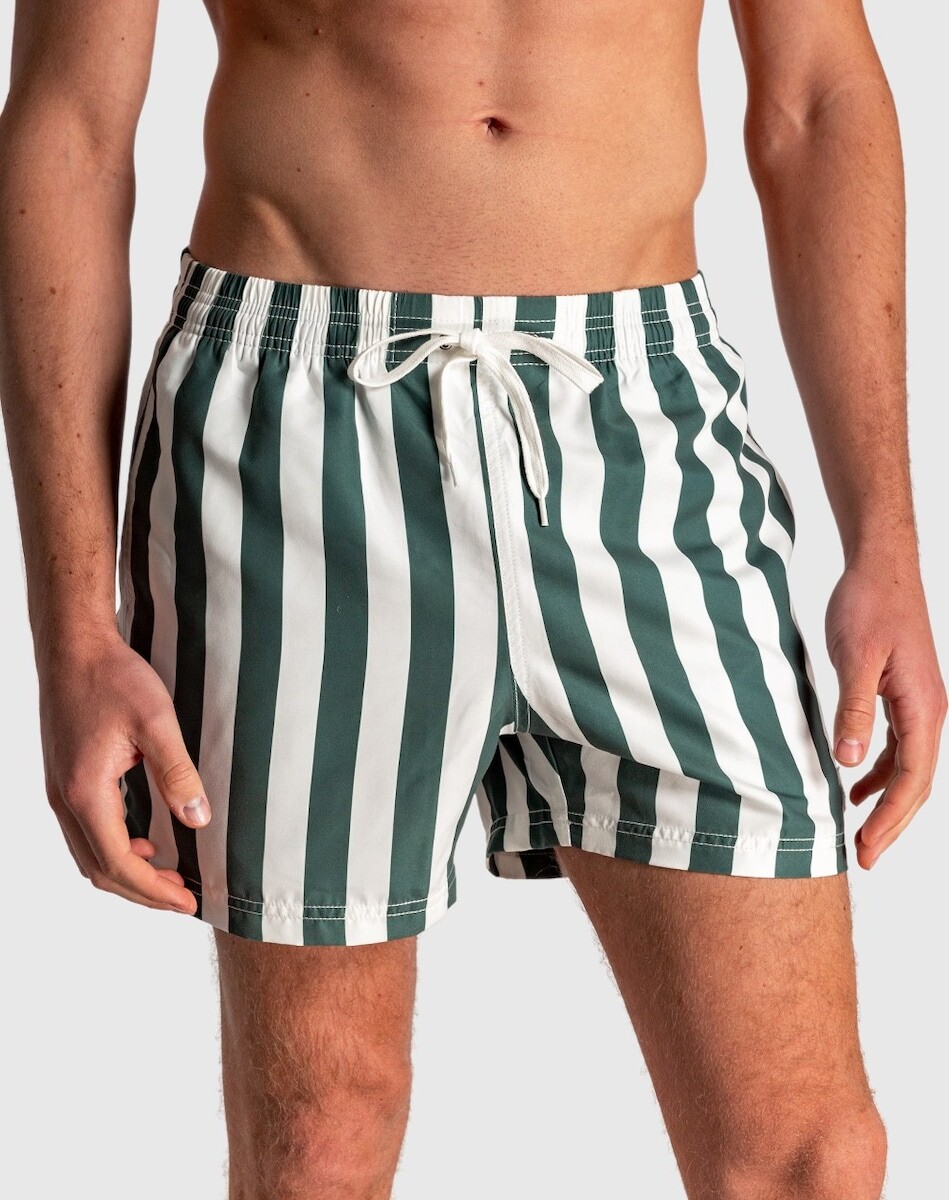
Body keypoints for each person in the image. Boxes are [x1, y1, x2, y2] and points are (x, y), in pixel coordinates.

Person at [0, 1, 944, 1197]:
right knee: (321, 1145)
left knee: (811, 1157)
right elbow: (72, 129)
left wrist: (886, 540)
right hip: (298, 411)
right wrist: (71, 630)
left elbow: (815, 100)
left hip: (640, 424)